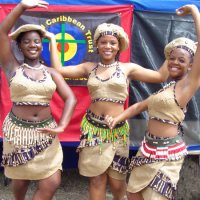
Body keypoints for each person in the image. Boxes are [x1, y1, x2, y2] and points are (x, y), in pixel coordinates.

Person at [49, 15, 169, 200]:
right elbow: (58, 70)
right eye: (103, 42)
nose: (108, 46)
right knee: (96, 180)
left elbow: (161, 76)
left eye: (112, 43)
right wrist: (51, 39)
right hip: (93, 131)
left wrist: (172, 52)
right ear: (96, 45)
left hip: (117, 132)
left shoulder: (128, 69)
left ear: (119, 46)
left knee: (117, 183)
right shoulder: (89, 68)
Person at [105, 4, 200, 200]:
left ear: (191, 65)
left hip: (167, 154)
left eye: (181, 60)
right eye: (172, 58)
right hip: (147, 149)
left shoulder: (187, 86)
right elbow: (139, 106)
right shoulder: (167, 89)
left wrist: (194, 12)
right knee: (133, 193)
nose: (174, 62)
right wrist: (117, 119)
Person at [0, 0, 77, 200]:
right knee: (21, 180)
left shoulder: (51, 73)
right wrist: (22, 7)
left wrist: (62, 126)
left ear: (40, 45)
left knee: (51, 182)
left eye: (36, 41)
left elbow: (70, 98)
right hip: (18, 132)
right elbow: (1, 33)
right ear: (19, 46)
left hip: (46, 132)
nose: (32, 45)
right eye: (26, 41)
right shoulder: (12, 68)